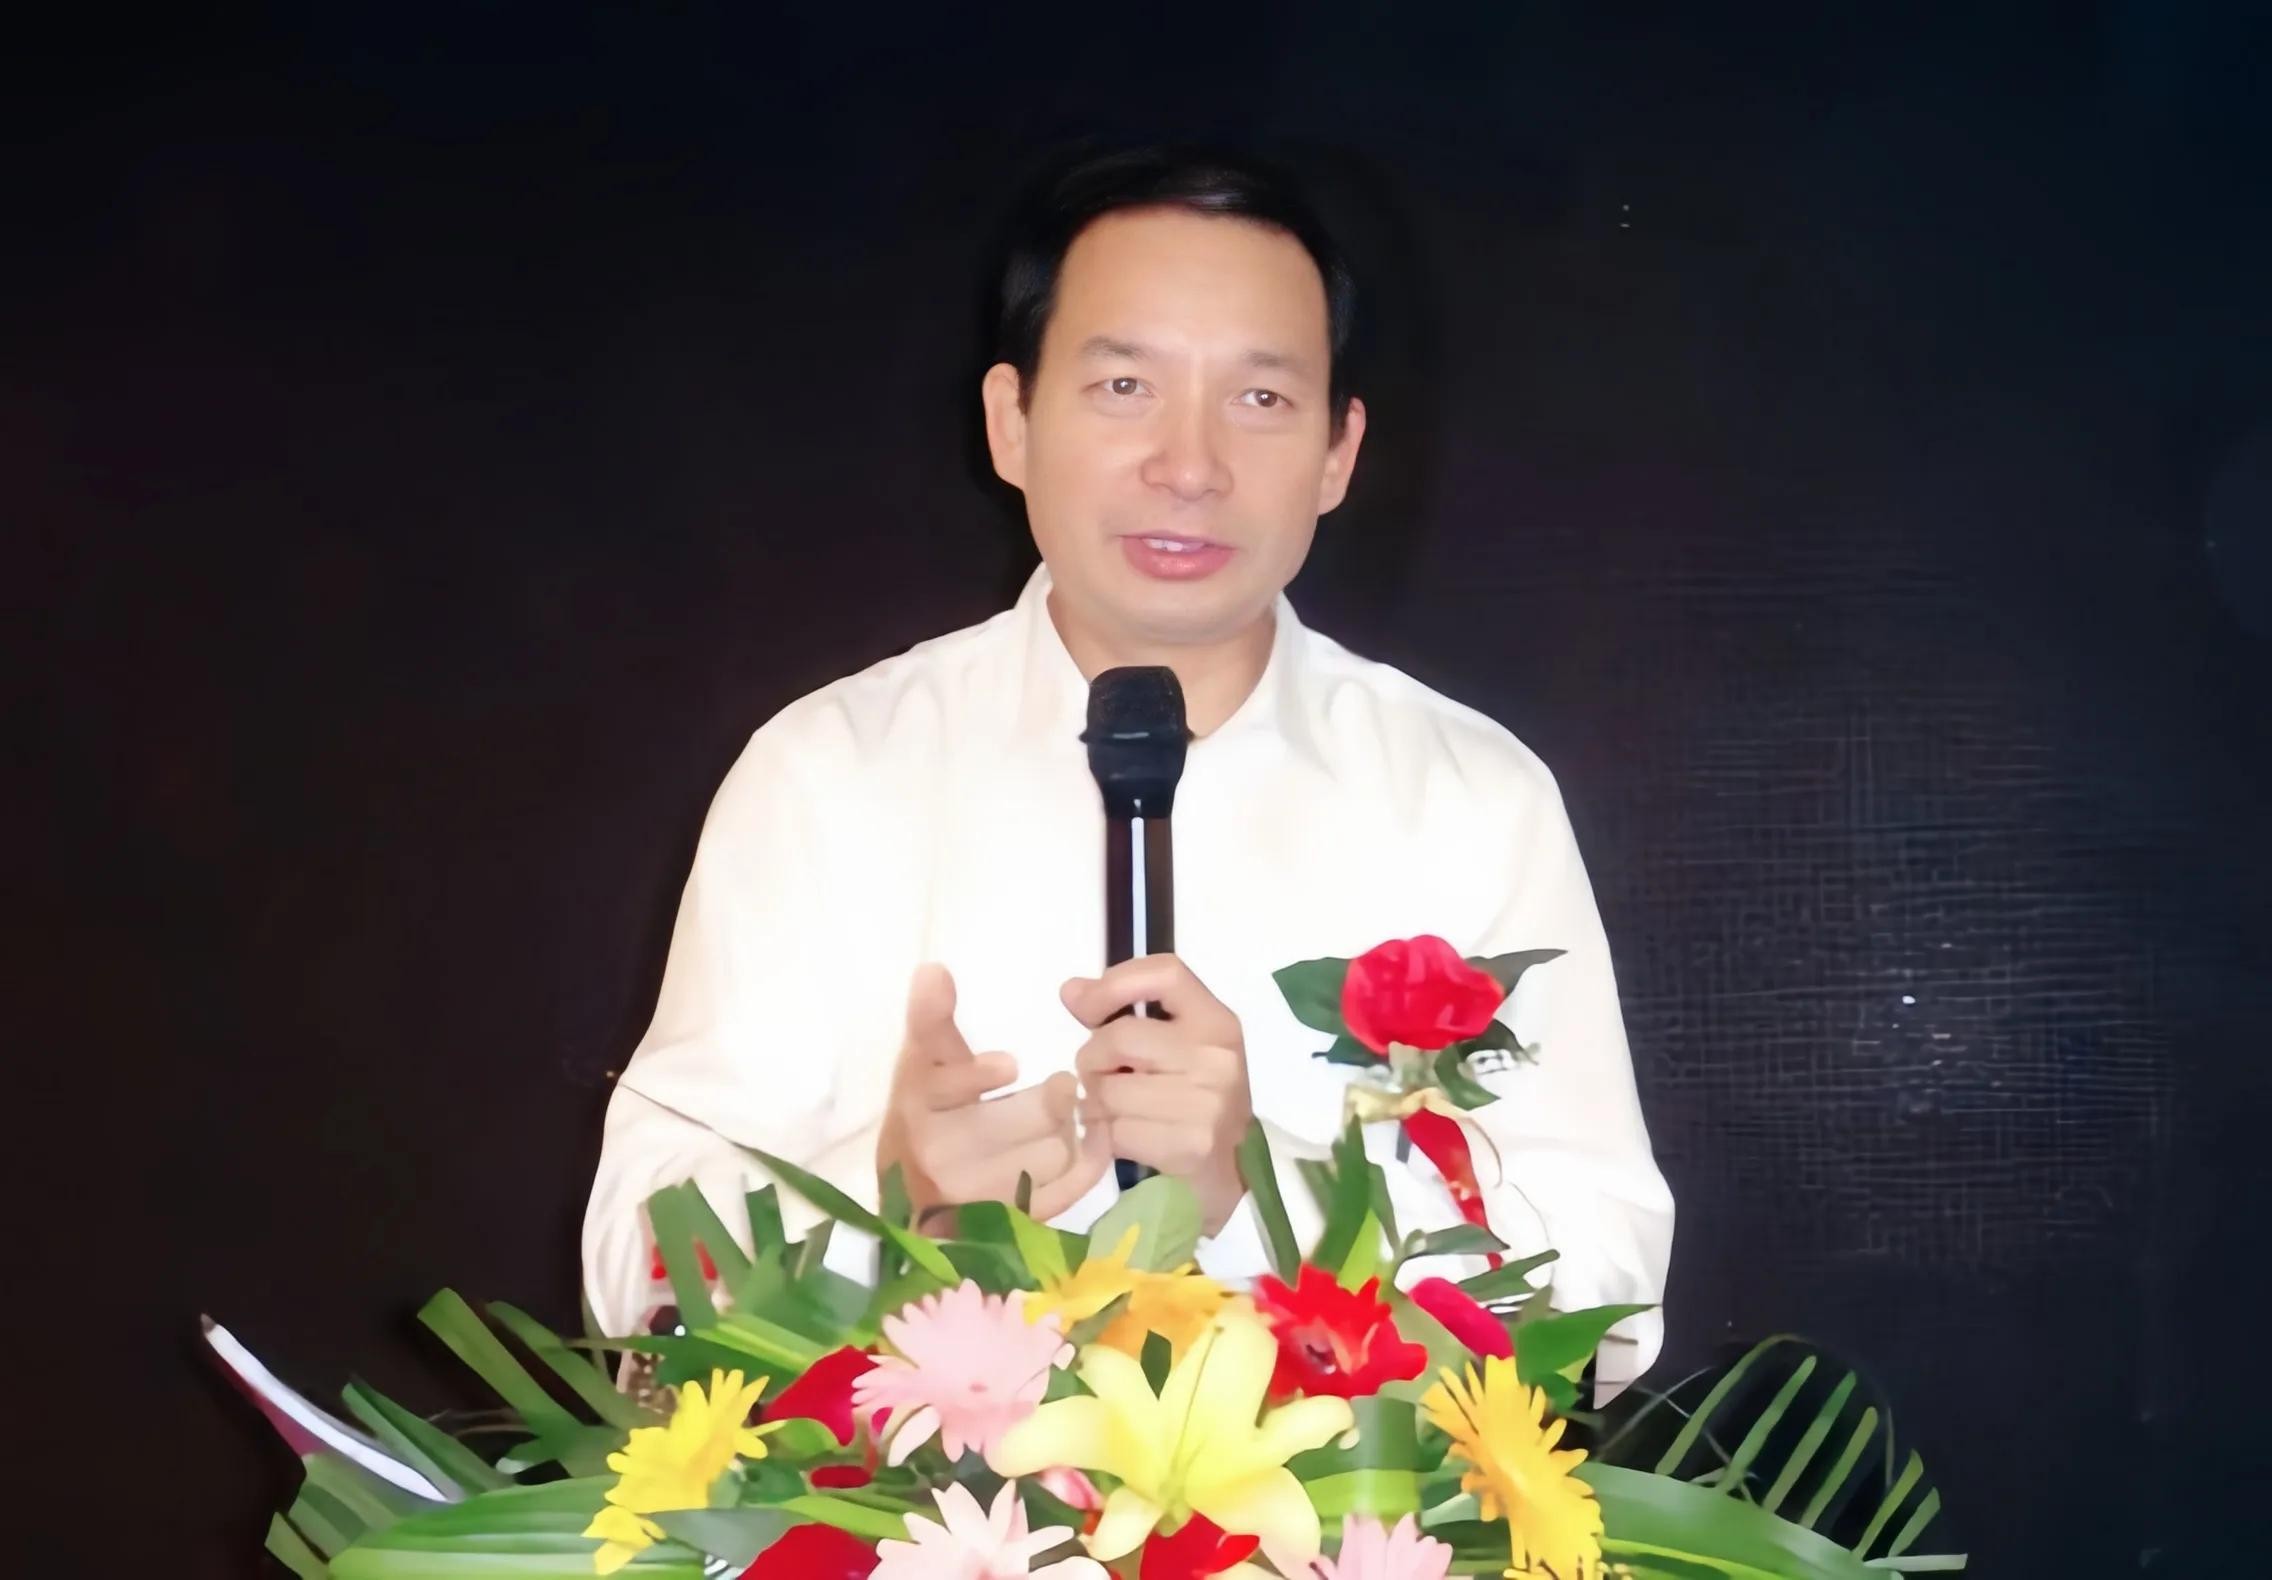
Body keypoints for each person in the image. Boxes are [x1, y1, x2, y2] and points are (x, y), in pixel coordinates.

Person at [582, 145, 1675, 1390]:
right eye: (1122, 385)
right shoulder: (827, 775)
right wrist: (890, 1194)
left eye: (1258, 397)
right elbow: (636, 1272)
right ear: (1011, 421)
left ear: (1338, 450)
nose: (1189, 464)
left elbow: (1605, 1302)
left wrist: (1263, 1194)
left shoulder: (1470, 799)